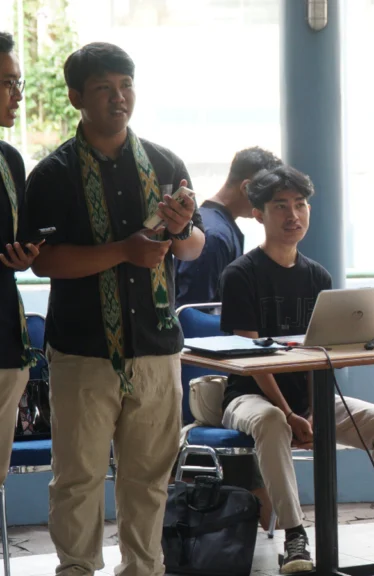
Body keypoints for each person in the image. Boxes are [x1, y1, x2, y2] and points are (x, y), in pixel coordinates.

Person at [218, 164, 374, 573]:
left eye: (300, 204)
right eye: (280, 206)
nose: (293, 215)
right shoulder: (240, 274)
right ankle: (295, 538)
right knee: (273, 423)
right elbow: (252, 361)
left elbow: (325, 352)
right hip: (249, 397)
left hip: (310, 400)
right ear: (259, 213)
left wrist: (314, 408)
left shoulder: (318, 275)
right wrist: (290, 412)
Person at [26, 42, 206, 576]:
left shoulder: (165, 162)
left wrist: (179, 231)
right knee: (77, 478)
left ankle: (143, 570)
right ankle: (77, 569)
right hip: (82, 350)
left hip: (156, 346)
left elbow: (194, 246)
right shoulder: (53, 173)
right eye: (104, 88)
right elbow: (46, 262)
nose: (119, 97)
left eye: (126, 85)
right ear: (77, 96)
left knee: (149, 478)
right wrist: (124, 251)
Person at [173, 146, 282, 532]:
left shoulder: (217, 228)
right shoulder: (215, 238)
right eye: (270, 197)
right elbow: (196, 320)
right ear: (249, 187)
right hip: (207, 380)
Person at [0, 31, 45, 505]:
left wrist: (28, 253)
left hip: (7, 339)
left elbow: (21, 231)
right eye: (8, 83)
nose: (17, 95)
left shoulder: (10, 158)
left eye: (19, 82)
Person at [175, 146, 281, 305]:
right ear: (246, 188)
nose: (267, 203)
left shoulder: (210, 223)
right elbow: (196, 311)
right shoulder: (215, 236)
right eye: (267, 194)